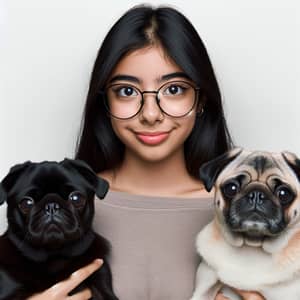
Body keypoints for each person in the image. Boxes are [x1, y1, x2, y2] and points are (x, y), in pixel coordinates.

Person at [28, 5, 264, 300]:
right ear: (105, 102)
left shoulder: (252, 216)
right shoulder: (55, 212)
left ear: (201, 99)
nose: (151, 114)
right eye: (127, 91)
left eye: (174, 89)